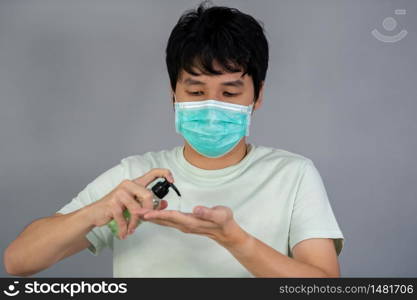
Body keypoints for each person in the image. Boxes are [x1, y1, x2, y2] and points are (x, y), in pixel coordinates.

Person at [4, 1, 344, 278]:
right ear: (173, 95)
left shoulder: (293, 175)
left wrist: (236, 241)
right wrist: (95, 211)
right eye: (196, 91)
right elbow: (18, 263)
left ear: (257, 97)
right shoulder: (136, 177)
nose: (212, 106)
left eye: (229, 92)